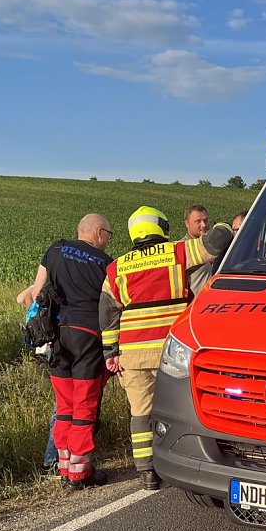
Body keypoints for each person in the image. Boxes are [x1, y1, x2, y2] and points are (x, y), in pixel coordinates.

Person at [99, 206, 233, 490]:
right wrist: (222, 223)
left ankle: (147, 472)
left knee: (140, 413)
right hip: (171, 351)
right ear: (160, 226)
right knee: (183, 407)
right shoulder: (177, 252)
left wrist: (110, 353)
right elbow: (217, 241)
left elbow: (108, 312)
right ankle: (189, 462)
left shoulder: (116, 268)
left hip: (133, 355)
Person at [32, 213, 114, 490]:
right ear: (99, 233)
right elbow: (113, 305)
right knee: (85, 406)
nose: (108, 241)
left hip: (55, 337)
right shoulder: (106, 263)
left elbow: (37, 292)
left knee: (65, 405)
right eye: (109, 235)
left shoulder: (55, 249)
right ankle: (80, 474)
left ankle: (64, 467)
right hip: (89, 336)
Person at [16, 284, 58, 476]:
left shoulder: (44, 288)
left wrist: (37, 286)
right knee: (64, 407)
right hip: (61, 342)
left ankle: (55, 459)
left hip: (49, 346)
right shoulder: (57, 284)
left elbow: (23, 298)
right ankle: (53, 460)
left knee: (61, 406)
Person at [182, 205, 212, 296]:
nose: (203, 225)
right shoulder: (182, 249)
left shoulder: (213, 245)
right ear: (187, 223)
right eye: (198, 221)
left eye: (205, 220)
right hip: (194, 306)